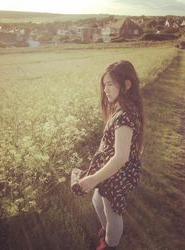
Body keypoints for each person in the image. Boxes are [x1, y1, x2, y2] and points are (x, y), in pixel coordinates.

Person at [78, 60, 144, 250]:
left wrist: (93, 179)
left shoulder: (124, 115)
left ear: (126, 85)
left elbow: (121, 157)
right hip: (112, 169)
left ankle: (110, 244)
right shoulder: (124, 107)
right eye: (104, 84)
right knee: (97, 200)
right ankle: (107, 232)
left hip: (118, 172)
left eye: (110, 84)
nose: (105, 89)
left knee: (112, 210)